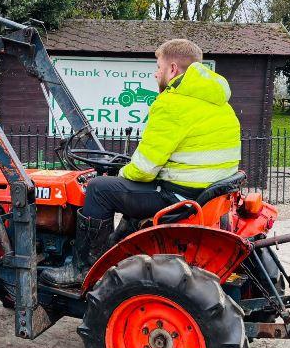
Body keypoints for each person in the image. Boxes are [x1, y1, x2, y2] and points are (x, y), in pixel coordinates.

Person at [41, 38, 242, 287]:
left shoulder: (173, 104)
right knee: (124, 189)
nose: (155, 73)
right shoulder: (219, 105)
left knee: (99, 189)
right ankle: (115, 250)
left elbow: (144, 169)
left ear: (173, 69)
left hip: (179, 198)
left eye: (158, 66)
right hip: (202, 193)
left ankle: (83, 269)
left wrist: (121, 172)